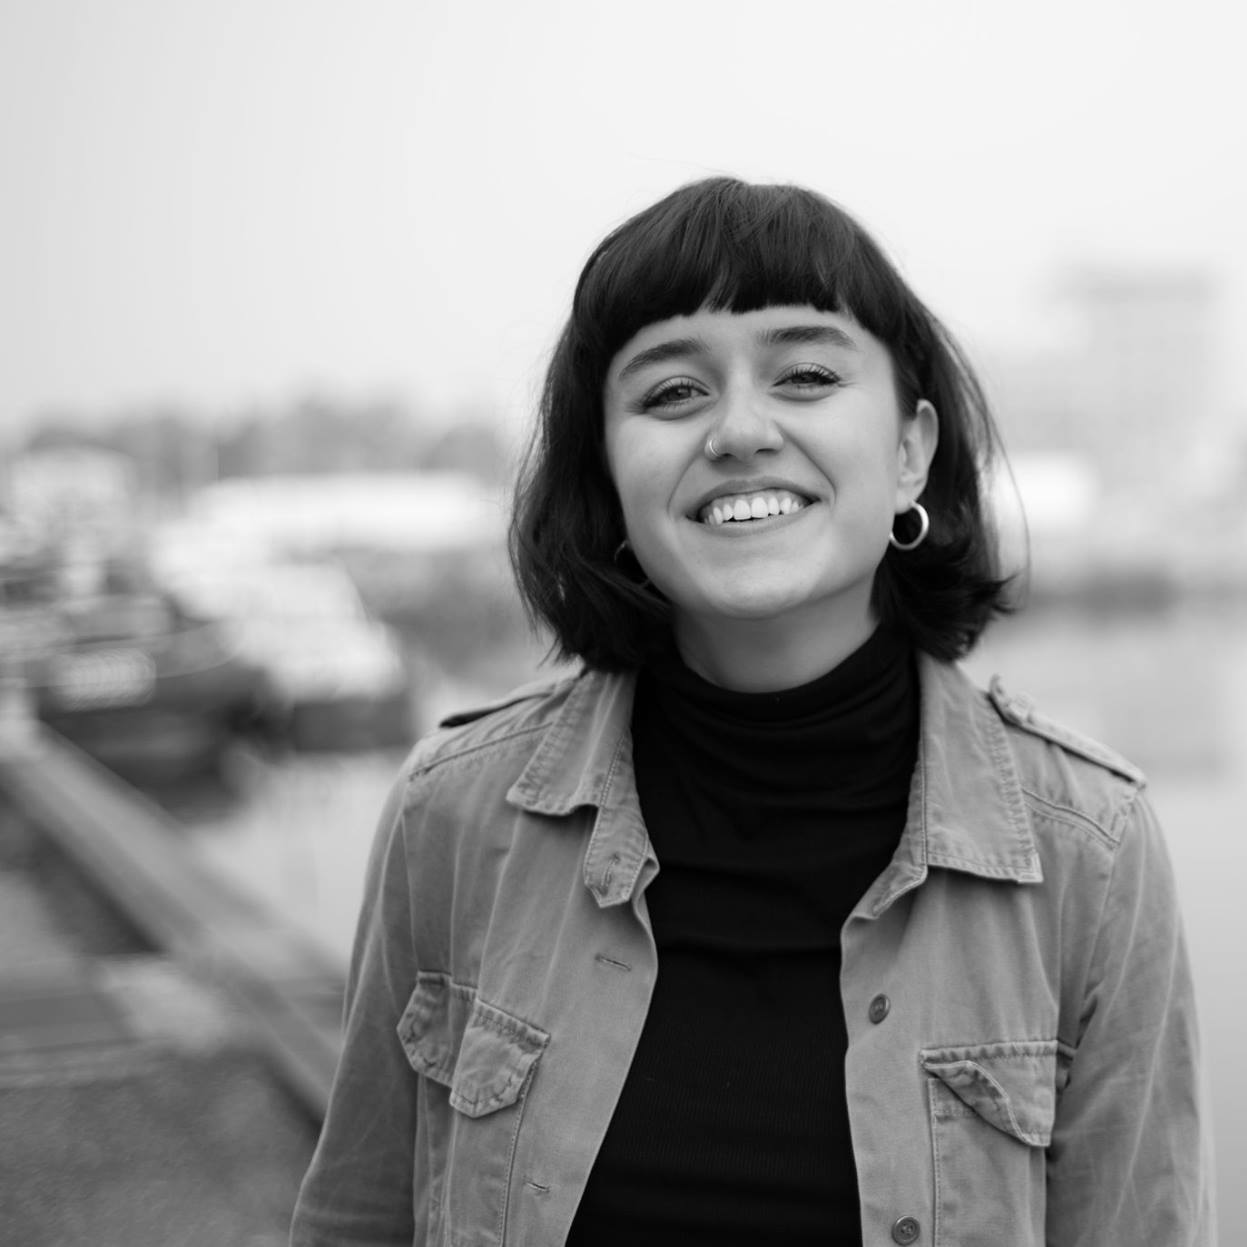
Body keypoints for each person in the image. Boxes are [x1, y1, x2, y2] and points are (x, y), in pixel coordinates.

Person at [289, 178, 1213, 1246]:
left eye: (806, 374)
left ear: (908, 450)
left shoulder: (1089, 853)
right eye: (671, 391)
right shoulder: (451, 817)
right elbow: (353, 1219)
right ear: (608, 470)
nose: (737, 430)